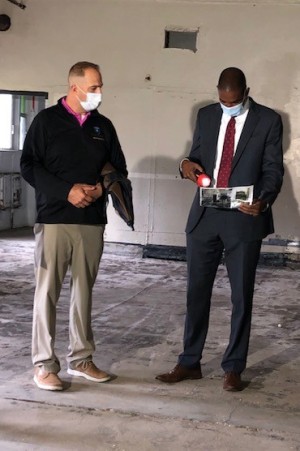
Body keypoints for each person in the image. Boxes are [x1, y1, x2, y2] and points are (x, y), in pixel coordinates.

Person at [156, 67, 284, 391]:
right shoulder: (207, 116)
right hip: (205, 216)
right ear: (217, 92)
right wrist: (185, 164)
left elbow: (272, 170)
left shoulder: (268, 121)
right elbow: (197, 156)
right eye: (223, 100)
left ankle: (234, 367)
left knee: (241, 296)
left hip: (244, 217)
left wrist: (264, 200)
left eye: (234, 101)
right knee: (196, 293)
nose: (228, 105)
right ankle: (189, 362)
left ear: (245, 92)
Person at [20, 61, 128, 391]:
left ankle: (81, 360)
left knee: (84, 292)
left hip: (91, 221)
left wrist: (99, 188)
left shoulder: (103, 127)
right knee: (47, 292)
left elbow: (118, 169)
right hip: (54, 218)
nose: (99, 93)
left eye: (100, 86)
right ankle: (44, 365)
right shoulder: (46, 122)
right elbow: (28, 166)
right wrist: (66, 191)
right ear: (74, 87)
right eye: (94, 87)